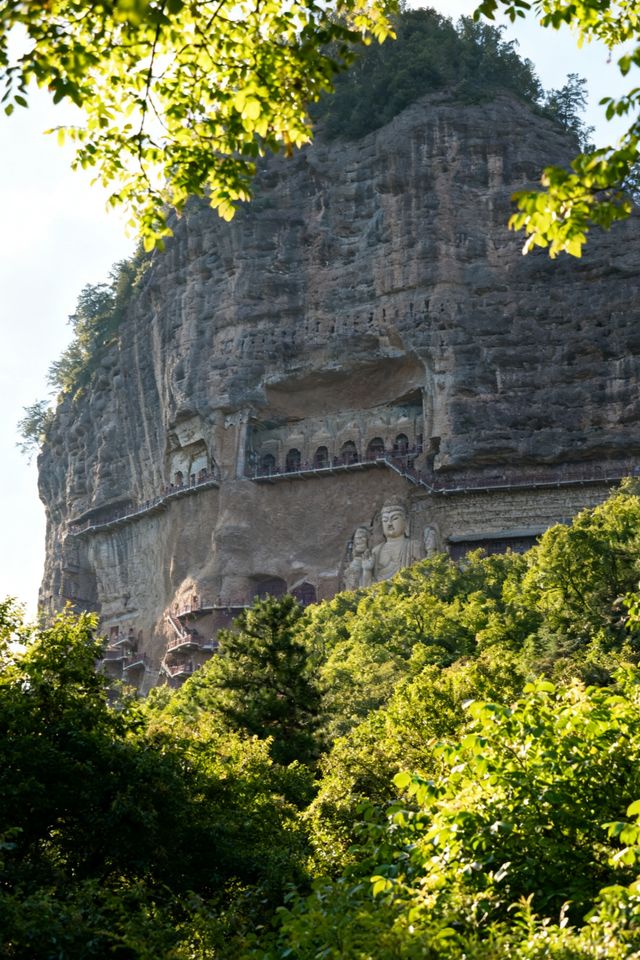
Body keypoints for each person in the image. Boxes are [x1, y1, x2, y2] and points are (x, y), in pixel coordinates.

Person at [369, 500, 421, 582]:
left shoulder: (413, 546)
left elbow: (422, 575)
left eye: (395, 518)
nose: (389, 523)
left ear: (406, 521)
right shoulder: (376, 551)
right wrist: (366, 570)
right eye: (385, 520)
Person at [343, 526, 373, 590]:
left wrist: (367, 570)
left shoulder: (373, 557)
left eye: (363, 537)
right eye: (357, 537)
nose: (359, 539)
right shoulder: (352, 563)